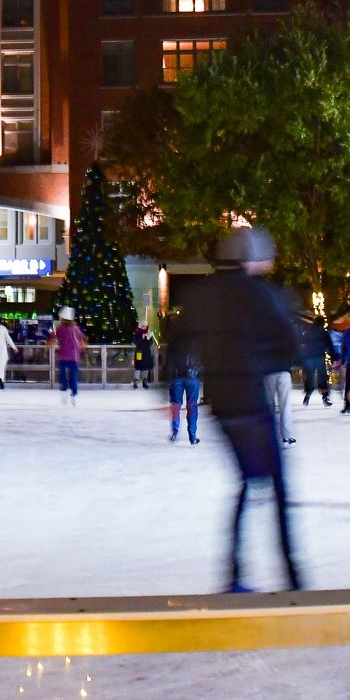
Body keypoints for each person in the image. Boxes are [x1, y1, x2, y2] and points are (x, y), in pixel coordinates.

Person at [180, 226, 303, 593]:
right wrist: (262, 361)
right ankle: (291, 576)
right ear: (250, 259)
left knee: (248, 482)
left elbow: (179, 340)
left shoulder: (201, 293)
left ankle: (234, 573)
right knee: (277, 486)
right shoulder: (257, 294)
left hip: (222, 402)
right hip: (251, 399)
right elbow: (287, 341)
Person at [162, 309, 201, 445]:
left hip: (177, 375)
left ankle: (175, 431)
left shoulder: (174, 339)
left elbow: (169, 359)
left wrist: (167, 376)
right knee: (192, 406)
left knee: (176, 405)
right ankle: (192, 434)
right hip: (192, 375)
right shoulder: (197, 337)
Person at [50, 307, 86, 404]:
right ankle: (72, 394)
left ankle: (66, 393)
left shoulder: (61, 329)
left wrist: (49, 343)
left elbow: (54, 338)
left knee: (64, 376)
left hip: (65, 355)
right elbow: (82, 339)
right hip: (73, 356)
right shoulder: (75, 328)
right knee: (72, 376)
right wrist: (81, 345)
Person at [299, 316, 332, 407]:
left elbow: (302, 343)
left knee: (310, 377)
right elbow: (329, 345)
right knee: (322, 377)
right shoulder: (323, 332)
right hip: (319, 357)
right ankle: (325, 398)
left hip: (308, 357)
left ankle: (307, 395)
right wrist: (333, 356)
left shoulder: (307, 332)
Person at [133, 324, 155, 388]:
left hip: (146, 353)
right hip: (139, 352)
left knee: (146, 367)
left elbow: (150, 343)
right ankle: (135, 382)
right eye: (143, 326)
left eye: (145, 326)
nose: (144, 327)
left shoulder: (149, 333)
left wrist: (148, 338)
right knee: (138, 367)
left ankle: (145, 382)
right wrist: (142, 338)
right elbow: (136, 342)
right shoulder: (137, 333)